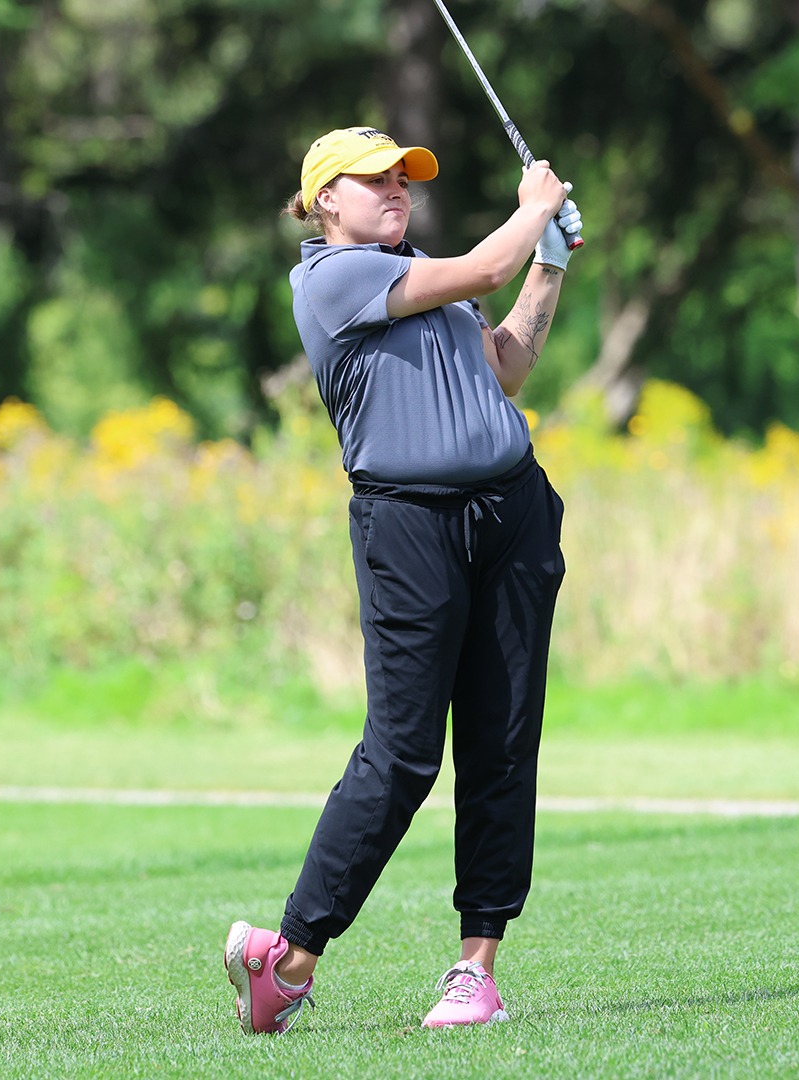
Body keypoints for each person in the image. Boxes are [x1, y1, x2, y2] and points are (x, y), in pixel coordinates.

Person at [224, 126, 583, 1034]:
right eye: (372, 179)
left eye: (404, 179)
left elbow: (503, 364)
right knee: (404, 750)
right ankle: (292, 958)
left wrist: (550, 262)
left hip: (511, 513)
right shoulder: (333, 278)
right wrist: (530, 212)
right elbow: (481, 272)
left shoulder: (422, 270)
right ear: (322, 202)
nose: (395, 190)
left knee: (502, 742)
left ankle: (476, 970)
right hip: (409, 525)